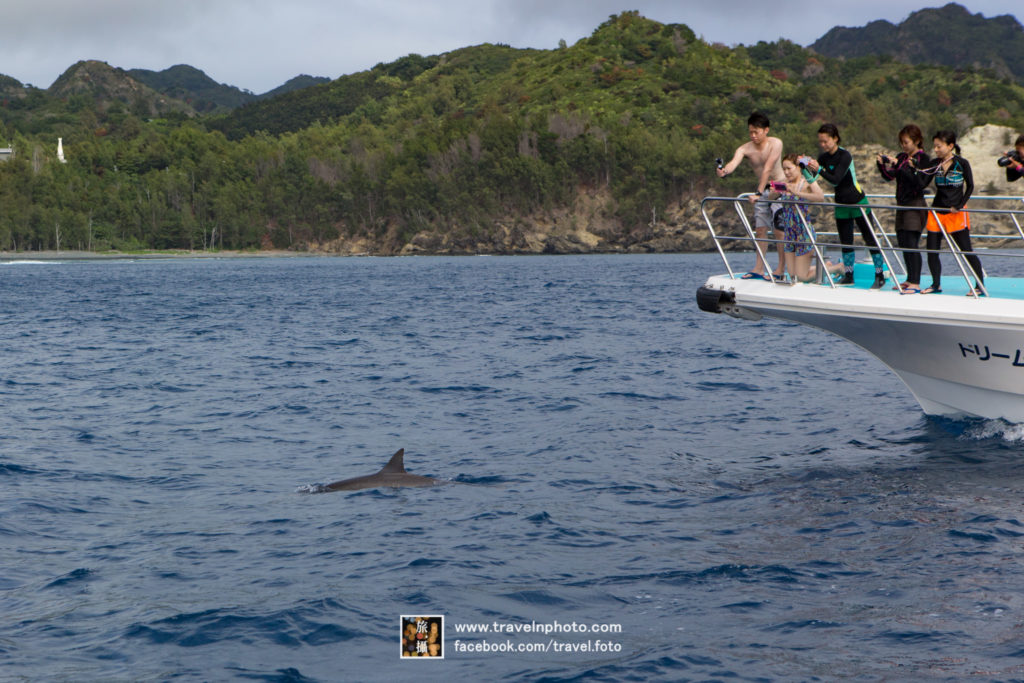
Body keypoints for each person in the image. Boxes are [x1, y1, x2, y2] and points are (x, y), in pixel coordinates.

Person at [804, 123, 887, 288]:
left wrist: (819, 168)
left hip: (858, 202)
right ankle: (849, 275)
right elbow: (811, 177)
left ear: (835, 139)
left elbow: (835, 179)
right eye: (820, 142)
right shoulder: (824, 158)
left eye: (826, 141)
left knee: (869, 238)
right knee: (846, 241)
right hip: (841, 204)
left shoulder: (845, 155)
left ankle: (879, 275)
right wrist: (804, 166)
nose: (823, 145)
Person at [717, 112, 785, 280]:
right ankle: (759, 267)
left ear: (766, 130)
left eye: (757, 132)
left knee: (779, 230)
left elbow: (768, 168)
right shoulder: (745, 148)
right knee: (760, 229)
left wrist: (758, 193)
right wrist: (724, 171)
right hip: (762, 190)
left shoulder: (776, 143)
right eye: (750, 132)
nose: (753, 136)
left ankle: (780, 269)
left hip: (780, 186)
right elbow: (733, 163)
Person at [917, 130, 984, 296]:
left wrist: (960, 205)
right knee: (932, 250)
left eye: (939, 146)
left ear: (950, 146)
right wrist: (915, 169)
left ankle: (979, 285)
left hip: (956, 212)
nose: (936, 150)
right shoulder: (935, 164)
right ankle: (936, 284)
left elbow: (970, 186)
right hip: (937, 211)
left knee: (965, 250)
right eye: (935, 147)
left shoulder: (962, 163)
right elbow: (922, 183)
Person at [771, 154, 844, 282]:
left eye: (789, 168)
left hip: (803, 233)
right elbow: (769, 198)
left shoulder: (806, 183)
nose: (786, 172)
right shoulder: (784, 183)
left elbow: (820, 197)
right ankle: (824, 266)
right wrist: (774, 191)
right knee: (793, 276)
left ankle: (837, 267)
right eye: (784, 169)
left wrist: (796, 192)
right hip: (789, 233)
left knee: (801, 277)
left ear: (798, 168)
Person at [876, 124, 929, 293]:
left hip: (915, 203)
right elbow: (890, 176)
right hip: (902, 205)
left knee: (912, 242)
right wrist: (882, 165)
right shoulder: (902, 157)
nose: (903, 146)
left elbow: (916, 180)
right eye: (901, 143)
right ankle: (909, 278)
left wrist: (899, 165)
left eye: (906, 142)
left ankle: (916, 281)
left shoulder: (922, 159)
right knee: (903, 241)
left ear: (917, 141)